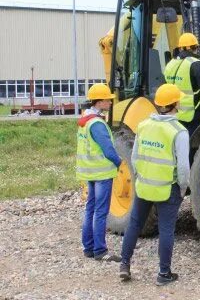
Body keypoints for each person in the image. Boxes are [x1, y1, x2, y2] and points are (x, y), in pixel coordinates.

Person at [119, 84, 190, 285]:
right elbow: (184, 168)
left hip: (144, 186)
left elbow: (134, 158)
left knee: (134, 224)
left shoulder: (143, 125)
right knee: (166, 230)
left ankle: (124, 264)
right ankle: (163, 274)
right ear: (175, 103)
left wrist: (143, 177)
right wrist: (183, 188)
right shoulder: (179, 132)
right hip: (167, 189)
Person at [77, 83, 122, 262]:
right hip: (102, 174)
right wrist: (119, 163)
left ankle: (88, 248)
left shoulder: (85, 120)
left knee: (90, 209)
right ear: (99, 102)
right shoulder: (97, 124)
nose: (110, 102)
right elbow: (108, 150)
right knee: (101, 212)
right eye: (107, 100)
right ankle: (100, 250)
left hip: (90, 172)